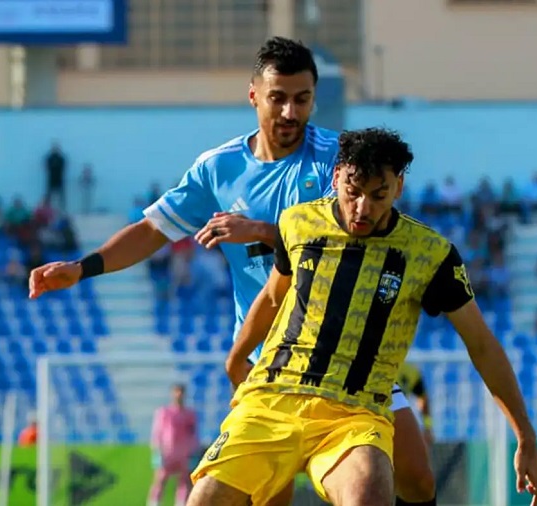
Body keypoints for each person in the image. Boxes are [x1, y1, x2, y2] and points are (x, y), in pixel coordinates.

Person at [28, 37, 440, 505]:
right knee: (267, 499)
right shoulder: (218, 169)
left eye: (302, 99)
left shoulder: (338, 161)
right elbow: (153, 230)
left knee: (417, 477)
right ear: (253, 95)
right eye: (277, 98)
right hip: (270, 363)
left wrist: (259, 230)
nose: (290, 112)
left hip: (346, 357)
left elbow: (354, 244)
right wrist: (81, 268)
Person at [188, 128, 537, 506]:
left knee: (375, 492)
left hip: (354, 414)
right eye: (353, 192)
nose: (362, 208)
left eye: (378, 196)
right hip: (272, 400)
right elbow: (274, 297)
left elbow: (482, 345)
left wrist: (525, 436)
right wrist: (235, 357)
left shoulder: (429, 254)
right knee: (204, 500)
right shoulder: (297, 223)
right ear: (336, 177)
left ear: (398, 187)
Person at [148, 384, 198, 506]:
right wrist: (157, 451)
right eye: (176, 391)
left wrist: (194, 451)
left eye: (181, 392)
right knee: (160, 480)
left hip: (184, 453)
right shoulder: (164, 412)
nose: (179, 394)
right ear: (172, 393)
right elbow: (157, 432)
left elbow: (193, 433)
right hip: (167, 452)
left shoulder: (190, 414)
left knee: (184, 482)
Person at [396, 361, 434, 446]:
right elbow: (423, 400)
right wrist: (428, 426)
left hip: (395, 421)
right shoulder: (411, 371)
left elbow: (423, 399)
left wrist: (427, 427)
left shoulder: (411, 372)